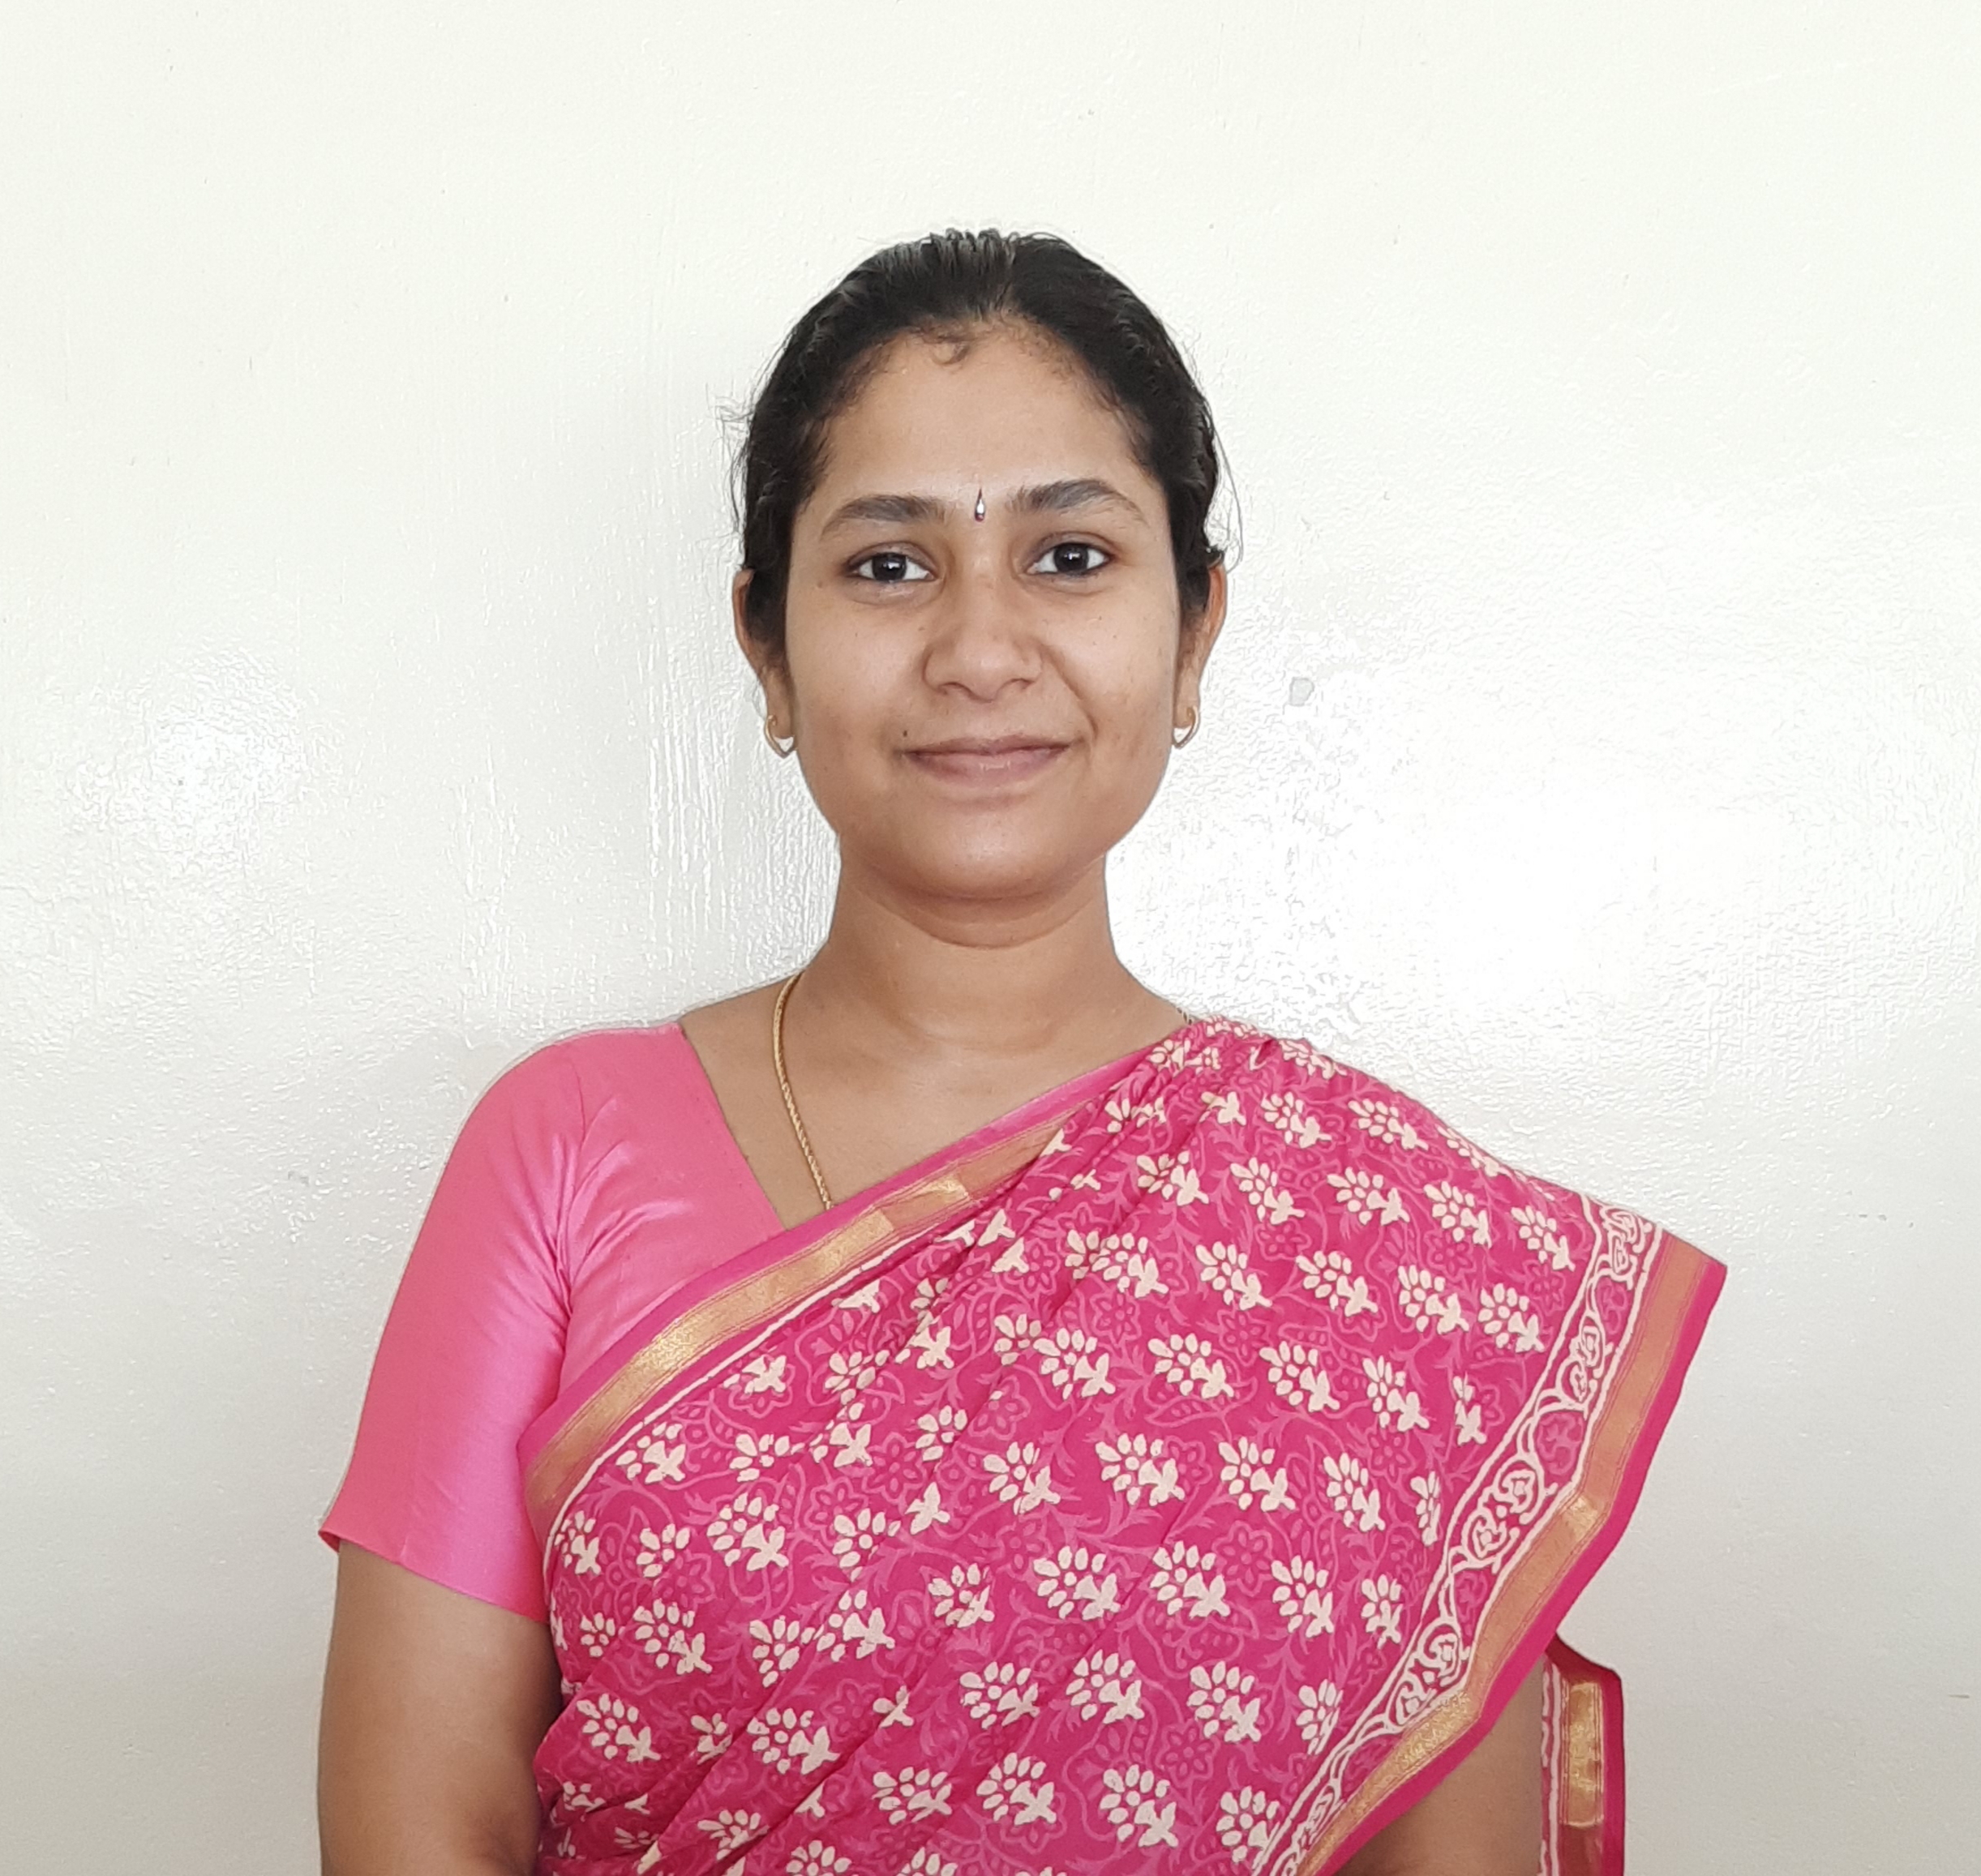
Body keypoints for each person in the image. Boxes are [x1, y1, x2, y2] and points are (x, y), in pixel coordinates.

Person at [317, 229, 1722, 1876]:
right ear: (766, 645)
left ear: (1192, 631)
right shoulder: (566, 1152)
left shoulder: (1389, 1248)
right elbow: (423, 1831)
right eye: (886, 565)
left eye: (1069, 555)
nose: (981, 650)